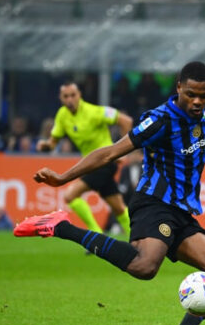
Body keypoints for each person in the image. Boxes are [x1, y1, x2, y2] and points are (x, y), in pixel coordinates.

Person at [14, 54, 205, 325]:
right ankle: (61, 227)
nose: (198, 102)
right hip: (153, 203)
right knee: (144, 266)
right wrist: (63, 178)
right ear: (178, 88)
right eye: (191, 95)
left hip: (181, 210)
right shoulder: (159, 120)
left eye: (202, 95)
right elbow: (110, 152)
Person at [36, 82, 134, 238]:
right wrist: (45, 146)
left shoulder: (94, 111)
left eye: (73, 95)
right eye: (65, 96)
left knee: (70, 195)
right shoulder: (62, 115)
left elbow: (126, 121)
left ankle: (96, 234)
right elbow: (53, 142)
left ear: (79, 95)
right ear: (60, 98)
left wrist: (123, 152)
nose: (70, 99)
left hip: (104, 161)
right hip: (91, 165)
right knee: (119, 208)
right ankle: (139, 238)